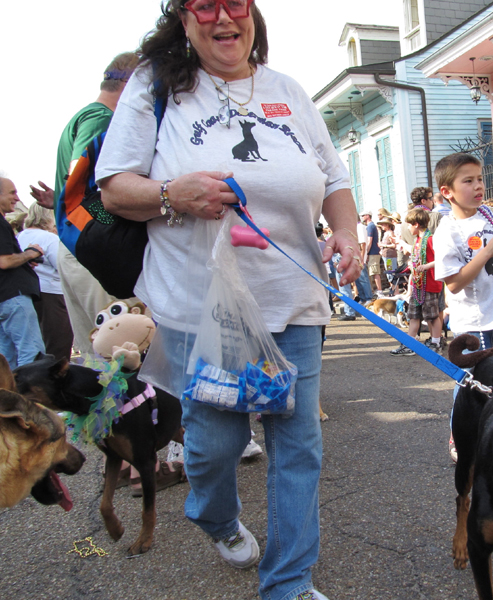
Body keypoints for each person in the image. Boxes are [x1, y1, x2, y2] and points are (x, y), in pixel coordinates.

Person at [95, 2, 359, 598]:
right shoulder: (156, 85)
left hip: (291, 298)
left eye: (234, 2)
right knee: (215, 446)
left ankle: (288, 581)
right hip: (200, 306)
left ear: (252, 14)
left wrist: (345, 232)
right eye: (204, 4)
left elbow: (335, 178)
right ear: (184, 18)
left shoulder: (287, 89)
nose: (223, 17)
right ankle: (213, 513)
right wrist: (172, 193)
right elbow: (114, 189)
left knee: (298, 447)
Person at [29, 52, 140, 356]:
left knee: (96, 351)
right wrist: (110, 229)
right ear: (131, 84)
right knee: (121, 346)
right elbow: (80, 178)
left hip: (76, 245)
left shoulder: (83, 116)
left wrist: (60, 202)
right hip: (92, 251)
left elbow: (74, 191)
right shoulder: (102, 118)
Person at [432, 153, 493, 353]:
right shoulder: (447, 231)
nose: (478, 186)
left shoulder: (490, 214)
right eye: (468, 181)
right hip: (471, 325)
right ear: (447, 192)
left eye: (480, 179)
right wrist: (487, 252)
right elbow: (454, 284)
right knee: (474, 381)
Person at [16, 203, 73, 361]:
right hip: (52, 294)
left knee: (36, 341)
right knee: (58, 341)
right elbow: (64, 268)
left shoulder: (20, 236)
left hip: (28, 292)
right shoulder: (49, 238)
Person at [0, 177, 46, 369]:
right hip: (14, 297)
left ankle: (8, 396)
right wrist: (30, 254)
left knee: (6, 359)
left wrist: (24, 262)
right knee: (32, 354)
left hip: (3, 299)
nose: (17, 198)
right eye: (12, 192)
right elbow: (4, 261)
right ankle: (30, 397)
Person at [391, 209, 444, 355]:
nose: (408, 228)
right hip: (418, 284)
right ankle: (410, 343)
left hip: (430, 284)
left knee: (432, 316)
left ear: (416, 224)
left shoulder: (431, 239)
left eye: (409, 225)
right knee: (413, 315)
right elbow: (416, 256)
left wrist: (426, 266)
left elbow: (442, 258)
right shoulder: (418, 240)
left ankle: (436, 343)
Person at [361, 211, 382, 293]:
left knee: (375, 272)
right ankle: (376, 290)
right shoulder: (370, 226)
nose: (362, 217)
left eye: (363, 215)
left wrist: (366, 253)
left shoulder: (370, 226)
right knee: (373, 272)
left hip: (373, 252)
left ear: (367, 216)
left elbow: (369, 241)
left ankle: (379, 291)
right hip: (372, 252)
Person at [376, 217, 398, 283]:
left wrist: (384, 245)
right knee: (389, 273)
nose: (382, 226)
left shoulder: (390, 233)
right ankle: (393, 289)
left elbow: (394, 245)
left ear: (387, 225)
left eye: (383, 224)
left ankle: (395, 289)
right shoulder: (385, 233)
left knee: (391, 273)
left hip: (390, 257)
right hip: (386, 256)